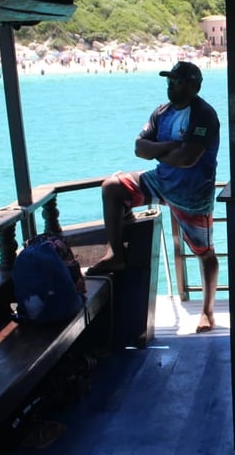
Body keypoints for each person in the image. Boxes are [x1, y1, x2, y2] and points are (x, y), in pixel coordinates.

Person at [87, 61, 221, 333]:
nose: (170, 85)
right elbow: (139, 148)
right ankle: (116, 254)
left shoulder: (204, 115)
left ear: (194, 86)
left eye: (177, 81)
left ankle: (207, 312)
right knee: (112, 187)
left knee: (205, 253)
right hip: (160, 181)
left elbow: (187, 158)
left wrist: (157, 151)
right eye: (169, 80)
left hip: (192, 195)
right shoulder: (162, 112)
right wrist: (170, 146)